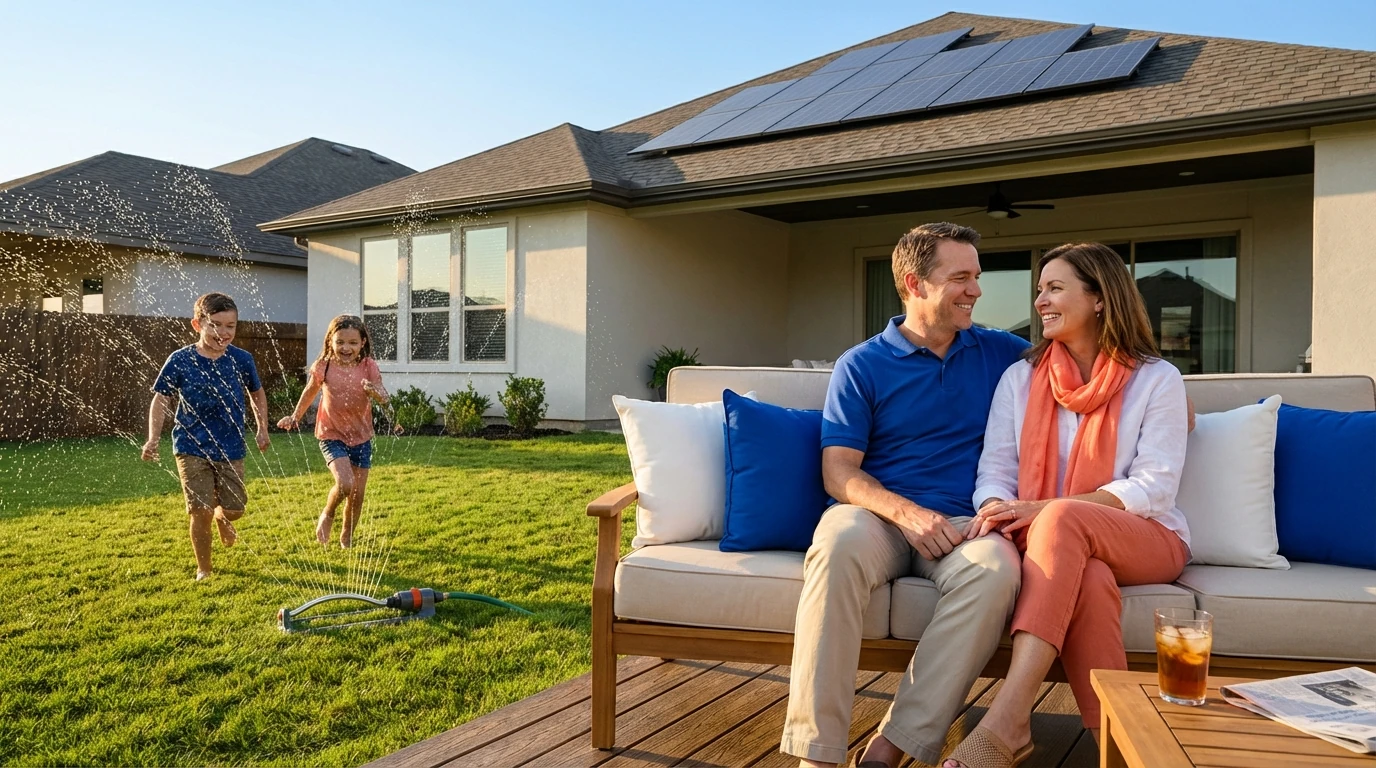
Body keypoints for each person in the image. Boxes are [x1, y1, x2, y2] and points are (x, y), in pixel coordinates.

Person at [782, 223, 1029, 768]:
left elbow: (1088, 365)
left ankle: (891, 747)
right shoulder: (860, 365)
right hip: (877, 517)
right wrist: (907, 514)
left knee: (997, 570)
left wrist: (1165, 395)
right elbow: (839, 472)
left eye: (977, 277)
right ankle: (816, 755)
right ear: (915, 284)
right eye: (961, 278)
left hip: (965, 523)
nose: (976, 291)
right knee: (836, 546)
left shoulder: (1004, 353)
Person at [942, 243, 1192, 768]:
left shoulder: (1156, 378)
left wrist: (1047, 509)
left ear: (1100, 298)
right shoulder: (1020, 379)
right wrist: (999, 508)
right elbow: (996, 471)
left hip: (1149, 538)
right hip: (1057, 545)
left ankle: (1009, 717)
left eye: (1055, 288)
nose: (1040, 301)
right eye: (1040, 290)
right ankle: (1119, 749)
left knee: (1059, 516)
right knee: (1091, 580)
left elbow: (1155, 486)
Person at [141, 292, 271, 581]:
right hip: (190, 445)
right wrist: (153, 438)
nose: (223, 332)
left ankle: (224, 517)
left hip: (230, 445)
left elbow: (257, 393)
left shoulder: (241, 359)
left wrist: (262, 428)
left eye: (230, 326)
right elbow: (161, 399)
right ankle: (204, 569)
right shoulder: (180, 360)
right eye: (215, 325)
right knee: (200, 510)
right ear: (197, 324)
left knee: (235, 509)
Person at [277, 315, 390, 548]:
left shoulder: (368, 366)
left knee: (357, 495)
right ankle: (328, 513)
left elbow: (384, 397)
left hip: (361, 437)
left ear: (362, 343)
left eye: (352, 342)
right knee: (345, 484)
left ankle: (347, 537)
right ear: (330, 341)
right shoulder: (324, 366)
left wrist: (374, 393)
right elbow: (310, 391)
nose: (346, 348)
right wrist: (295, 417)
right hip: (331, 434)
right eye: (340, 342)